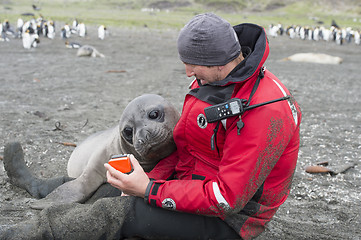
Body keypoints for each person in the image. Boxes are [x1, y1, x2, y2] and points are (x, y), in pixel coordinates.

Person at [1, 13, 301, 240]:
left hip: (233, 220)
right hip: (195, 183)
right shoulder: (216, 80)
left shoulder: (266, 111)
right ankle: (37, 186)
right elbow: (185, 146)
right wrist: (146, 179)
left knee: (116, 212)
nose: (187, 72)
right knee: (109, 185)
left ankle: (28, 233)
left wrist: (149, 189)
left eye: (192, 63)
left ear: (216, 60)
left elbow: (227, 199)